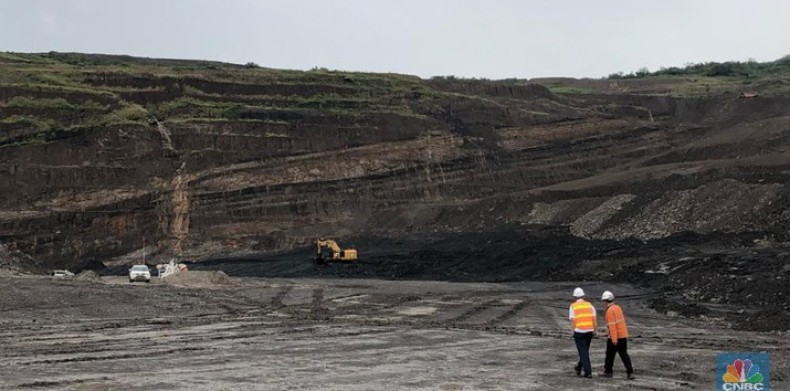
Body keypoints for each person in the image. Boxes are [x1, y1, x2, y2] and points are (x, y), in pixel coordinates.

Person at [600, 290, 635, 380]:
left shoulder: (610, 311)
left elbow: (612, 326)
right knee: (624, 354)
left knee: (609, 355)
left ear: (605, 301)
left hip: (615, 337)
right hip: (623, 335)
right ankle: (630, 372)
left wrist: (614, 340)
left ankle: (608, 372)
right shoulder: (618, 307)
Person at [569, 287, 596, 378]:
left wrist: (573, 332)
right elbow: (594, 319)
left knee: (583, 352)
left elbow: (572, 321)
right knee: (584, 351)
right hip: (589, 331)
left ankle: (588, 372)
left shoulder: (573, 306)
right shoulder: (590, 305)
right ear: (583, 295)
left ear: (574, 297)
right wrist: (595, 331)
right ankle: (579, 367)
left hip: (579, 332)